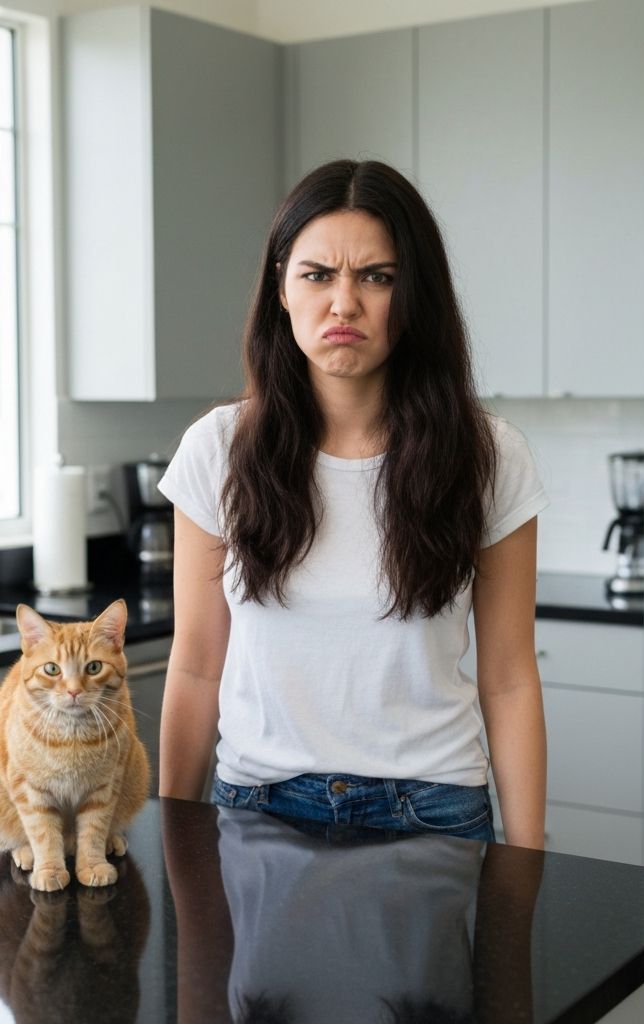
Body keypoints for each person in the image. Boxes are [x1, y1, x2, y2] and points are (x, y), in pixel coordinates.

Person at [157, 159, 547, 849]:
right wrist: (175, 838)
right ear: (281, 287)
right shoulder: (217, 449)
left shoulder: (489, 454)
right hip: (256, 807)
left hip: (433, 813)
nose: (344, 304)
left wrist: (526, 860)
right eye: (317, 274)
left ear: (414, 295)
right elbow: (194, 665)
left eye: (377, 276)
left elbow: (511, 679)